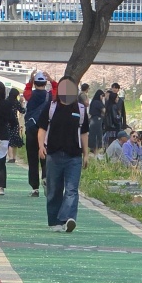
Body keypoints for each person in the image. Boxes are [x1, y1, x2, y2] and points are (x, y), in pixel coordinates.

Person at [38, 76, 89, 232]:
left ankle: (68, 219)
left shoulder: (80, 109)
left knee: (72, 189)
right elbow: (42, 128)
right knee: (54, 189)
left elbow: (84, 133)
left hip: (74, 156)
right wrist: (41, 146)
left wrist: (86, 154)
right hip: (53, 154)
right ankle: (55, 222)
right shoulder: (51, 107)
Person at [24, 71, 50, 196]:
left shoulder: (30, 95)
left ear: (35, 83)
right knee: (45, 155)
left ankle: (35, 188)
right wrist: (51, 79)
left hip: (31, 128)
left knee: (32, 158)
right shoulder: (50, 96)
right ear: (45, 83)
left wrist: (30, 81)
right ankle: (45, 177)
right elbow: (56, 88)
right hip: (45, 129)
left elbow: (26, 91)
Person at [5, 86, 25, 162]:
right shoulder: (16, 102)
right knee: (15, 139)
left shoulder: (6, 101)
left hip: (7, 122)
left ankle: (10, 157)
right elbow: (22, 111)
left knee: (9, 140)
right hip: (14, 122)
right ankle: (13, 157)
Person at [88, 87, 105, 153]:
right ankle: (96, 149)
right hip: (97, 120)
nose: (102, 97)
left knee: (92, 135)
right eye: (102, 96)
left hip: (92, 120)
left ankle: (93, 149)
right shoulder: (98, 102)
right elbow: (104, 110)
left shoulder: (93, 102)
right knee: (98, 135)